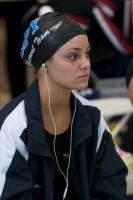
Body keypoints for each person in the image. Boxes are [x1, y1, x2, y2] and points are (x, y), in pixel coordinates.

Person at [0, 12, 127, 200]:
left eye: (87, 54)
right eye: (73, 56)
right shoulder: (13, 126)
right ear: (44, 64)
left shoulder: (92, 116)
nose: (86, 64)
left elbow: (111, 184)